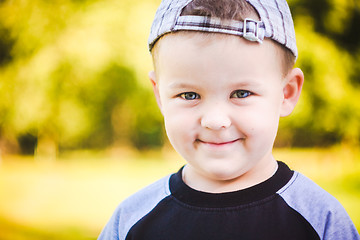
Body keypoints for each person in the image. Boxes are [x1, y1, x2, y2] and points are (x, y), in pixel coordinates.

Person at [98, 0, 360, 239]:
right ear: (160, 95)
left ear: (287, 92)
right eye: (189, 95)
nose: (215, 120)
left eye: (241, 93)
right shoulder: (131, 221)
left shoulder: (321, 220)